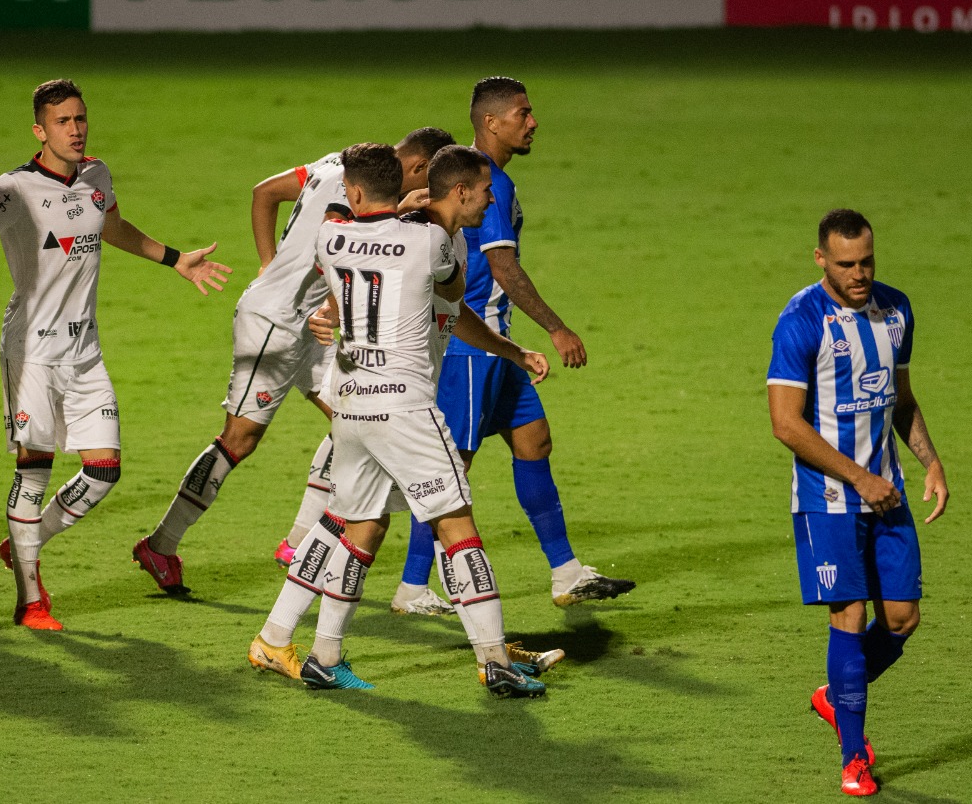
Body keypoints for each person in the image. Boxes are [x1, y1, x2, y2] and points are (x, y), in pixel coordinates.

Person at [251, 144, 563, 691]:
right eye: (483, 191)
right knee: (452, 523)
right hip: (404, 407)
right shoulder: (433, 242)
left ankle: (315, 650)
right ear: (455, 190)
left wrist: (511, 351)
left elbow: (443, 306)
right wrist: (419, 218)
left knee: (359, 526)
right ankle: (494, 659)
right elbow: (447, 287)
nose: (491, 199)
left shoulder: (337, 234)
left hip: (352, 402)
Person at [132, 129, 455, 596]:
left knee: (356, 416)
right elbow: (336, 236)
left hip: (311, 325)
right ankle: (160, 546)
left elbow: (265, 193)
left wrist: (270, 262)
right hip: (276, 324)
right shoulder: (357, 189)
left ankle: (300, 542)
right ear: (419, 168)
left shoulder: (335, 161)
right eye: (427, 182)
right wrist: (276, 277)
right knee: (239, 439)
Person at [0, 79, 231, 630]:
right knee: (34, 472)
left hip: (85, 350)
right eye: (62, 122)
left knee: (103, 469)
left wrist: (175, 259)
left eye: (80, 119)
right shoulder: (13, 189)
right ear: (39, 131)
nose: (75, 130)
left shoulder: (96, 175)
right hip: (31, 353)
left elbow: (112, 227)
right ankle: (30, 600)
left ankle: (24, 541)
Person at [395, 76, 634, 612]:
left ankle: (566, 572)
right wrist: (556, 328)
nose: (532, 122)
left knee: (534, 441)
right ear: (491, 122)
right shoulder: (486, 183)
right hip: (471, 348)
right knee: (449, 471)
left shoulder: (487, 178)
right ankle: (412, 586)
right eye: (522, 113)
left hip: (498, 347)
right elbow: (502, 265)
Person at [767, 209, 948, 796]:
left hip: (886, 492)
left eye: (867, 261)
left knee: (902, 619)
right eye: (846, 264)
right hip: (827, 499)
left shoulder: (896, 311)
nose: (859, 273)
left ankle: (835, 695)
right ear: (821, 259)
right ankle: (854, 758)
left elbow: (901, 399)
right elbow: (785, 423)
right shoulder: (801, 320)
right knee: (849, 617)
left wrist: (931, 461)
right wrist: (858, 479)